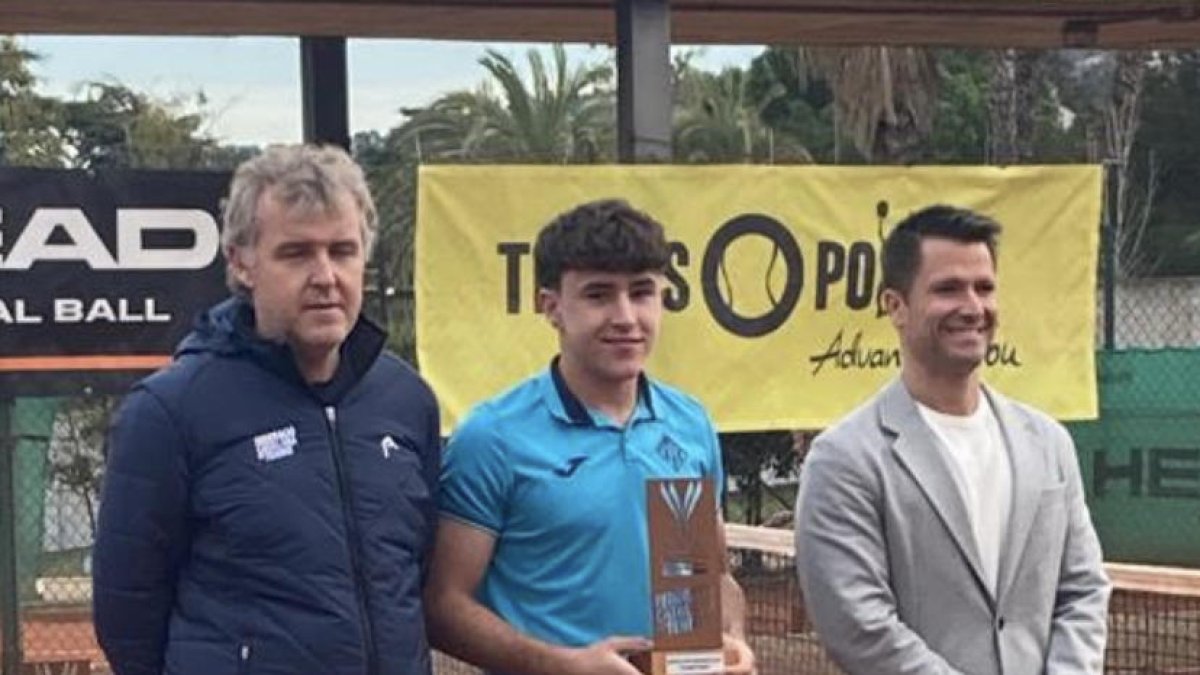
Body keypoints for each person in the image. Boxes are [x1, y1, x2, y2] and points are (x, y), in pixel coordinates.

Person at [93, 144, 441, 675]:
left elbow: (415, 576)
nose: (325, 275)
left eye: (342, 251)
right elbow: (128, 618)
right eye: (296, 253)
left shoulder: (407, 399)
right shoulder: (168, 411)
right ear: (241, 262)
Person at [424, 199, 754, 674]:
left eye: (641, 293)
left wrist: (733, 641)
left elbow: (714, 577)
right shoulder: (492, 438)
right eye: (599, 295)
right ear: (550, 306)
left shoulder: (690, 425)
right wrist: (566, 666)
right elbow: (442, 607)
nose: (625, 316)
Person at [794, 204, 1111, 675]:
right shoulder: (844, 460)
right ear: (894, 306)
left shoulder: (1049, 443)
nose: (972, 307)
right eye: (947, 289)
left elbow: (1083, 589)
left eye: (984, 288)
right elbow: (860, 628)